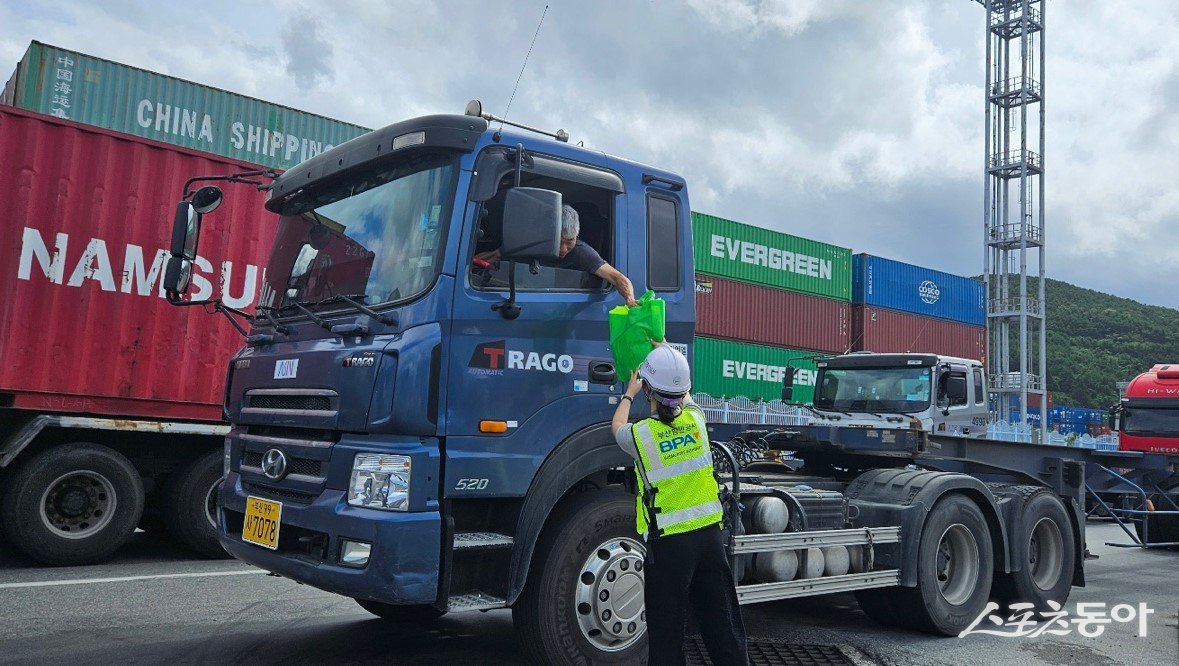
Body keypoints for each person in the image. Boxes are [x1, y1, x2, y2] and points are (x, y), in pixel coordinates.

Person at [611, 342, 748, 666]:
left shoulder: (641, 436)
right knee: (723, 628)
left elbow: (616, 427)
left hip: (671, 547)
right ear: (684, 390)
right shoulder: (697, 421)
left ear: (648, 391)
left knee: (668, 636)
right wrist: (668, 353)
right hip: (711, 541)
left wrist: (628, 394)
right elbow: (685, 397)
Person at [476, 204, 637, 306]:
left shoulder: (582, 252)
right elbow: (489, 257)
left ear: (577, 237)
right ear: (548, 234)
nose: (564, 248)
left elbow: (618, 278)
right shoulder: (530, 243)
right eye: (559, 241)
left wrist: (630, 298)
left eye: (570, 241)